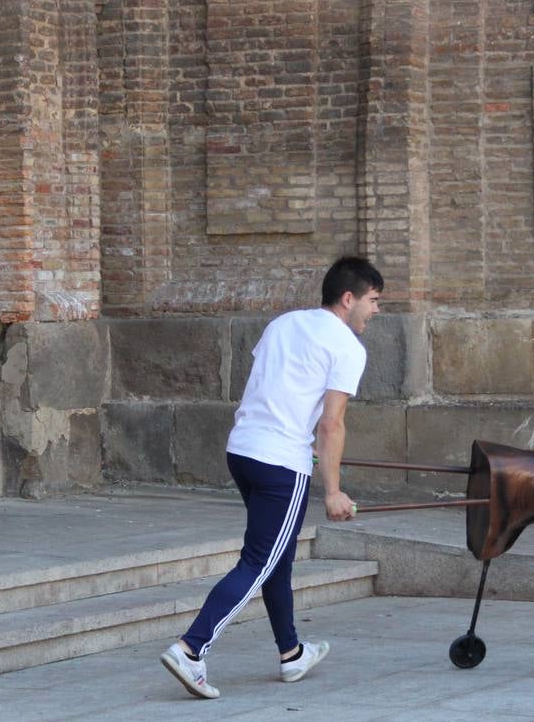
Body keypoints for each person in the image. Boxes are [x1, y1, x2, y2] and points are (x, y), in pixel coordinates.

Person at [160, 256, 384, 699]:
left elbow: (274, 387)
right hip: (282, 463)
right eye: (373, 300)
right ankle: (191, 648)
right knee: (260, 561)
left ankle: (291, 653)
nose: (376, 311)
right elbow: (331, 424)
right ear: (348, 298)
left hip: (243, 450)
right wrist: (334, 492)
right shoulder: (346, 347)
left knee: (275, 558)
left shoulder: (283, 324)